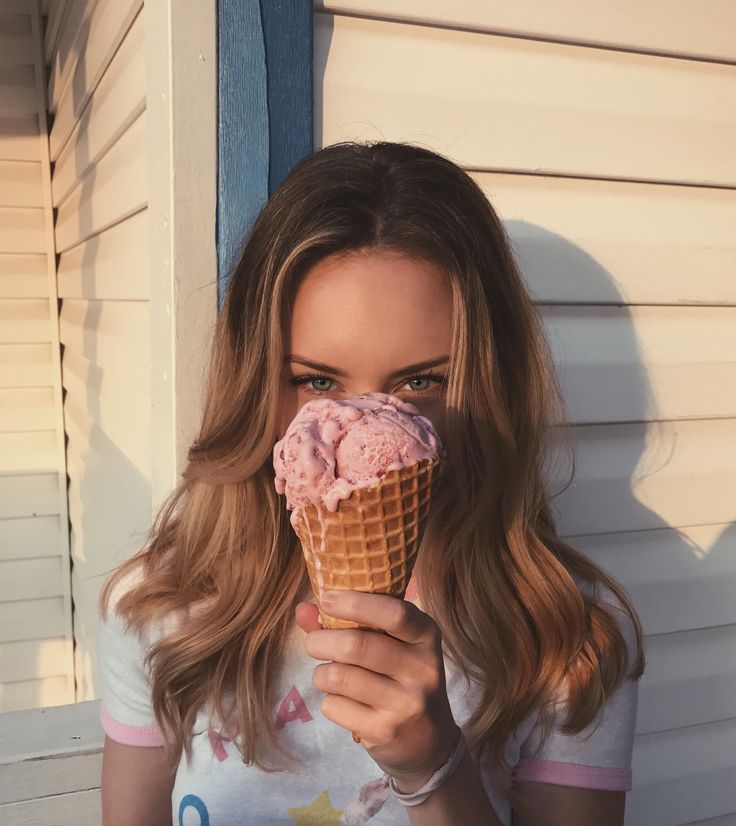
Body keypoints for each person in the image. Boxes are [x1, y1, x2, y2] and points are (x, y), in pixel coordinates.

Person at [98, 141, 645, 826]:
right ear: (258, 383)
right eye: (318, 381)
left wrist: (434, 769)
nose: (362, 425)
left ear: (489, 383)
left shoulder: (566, 639)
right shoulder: (162, 612)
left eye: (421, 382)